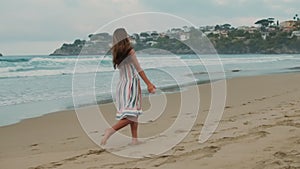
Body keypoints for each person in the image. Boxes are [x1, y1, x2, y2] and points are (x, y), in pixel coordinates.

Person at [101, 28, 156, 145]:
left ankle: (134, 140)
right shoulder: (130, 51)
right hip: (131, 84)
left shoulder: (116, 52)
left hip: (122, 85)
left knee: (133, 113)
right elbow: (139, 69)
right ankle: (110, 130)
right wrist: (149, 84)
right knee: (132, 114)